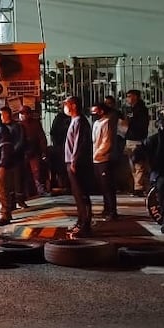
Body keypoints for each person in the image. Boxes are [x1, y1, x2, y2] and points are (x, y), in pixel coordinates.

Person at [64, 96, 93, 237]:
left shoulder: (80, 121)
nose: (65, 107)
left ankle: (86, 225)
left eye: (67, 104)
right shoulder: (74, 121)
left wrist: (75, 161)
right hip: (71, 161)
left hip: (77, 163)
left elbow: (79, 143)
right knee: (77, 194)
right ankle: (80, 220)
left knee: (82, 194)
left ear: (74, 105)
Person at [120, 89, 150, 197]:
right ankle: (136, 186)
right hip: (130, 139)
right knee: (132, 164)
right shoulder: (130, 109)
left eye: (129, 96)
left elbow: (137, 125)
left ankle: (139, 187)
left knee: (138, 163)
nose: (127, 98)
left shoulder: (141, 109)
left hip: (137, 139)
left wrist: (127, 123)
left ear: (135, 97)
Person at [91, 102, 118, 221]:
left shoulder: (106, 122)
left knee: (108, 186)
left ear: (101, 111)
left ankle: (112, 211)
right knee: (102, 186)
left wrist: (98, 153)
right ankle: (106, 208)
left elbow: (107, 141)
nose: (93, 113)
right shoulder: (97, 123)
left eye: (95, 111)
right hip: (96, 159)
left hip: (103, 158)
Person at [1, 107, 28, 210]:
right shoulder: (2, 127)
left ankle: (20, 201)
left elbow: (21, 141)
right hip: (6, 159)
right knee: (9, 183)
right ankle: (11, 203)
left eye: (2, 114)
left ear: (7, 114)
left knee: (18, 180)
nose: (1, 117)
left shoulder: (17, 126)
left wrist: (12, 151)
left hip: (17, 158)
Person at [19, 105, 49, 196]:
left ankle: (40, 189)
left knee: (37, 172)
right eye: (21, 113)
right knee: (23, 173)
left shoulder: (35, 124)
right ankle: (26, 192)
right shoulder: (18, 125)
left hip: (34, 151)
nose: (23, 115)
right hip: (22, 152)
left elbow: (42, 138)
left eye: (24, 113)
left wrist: (43, 151)